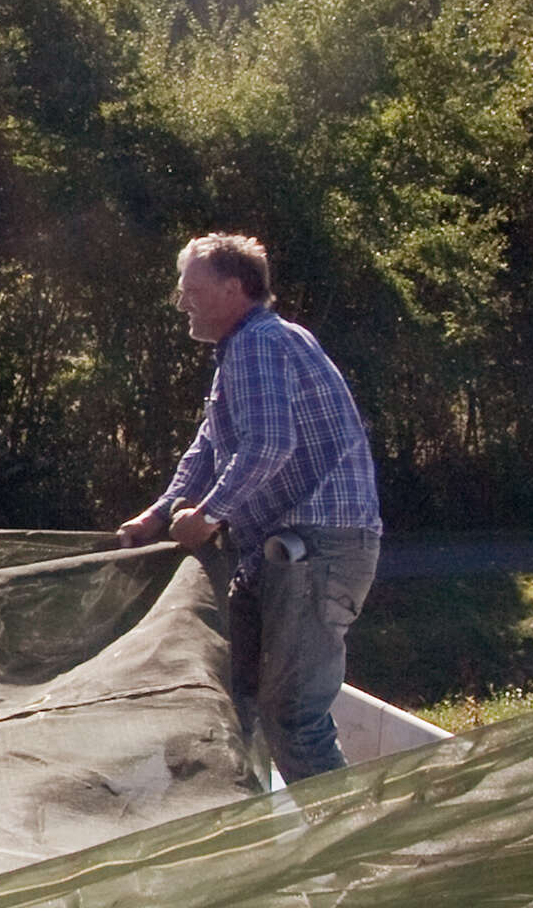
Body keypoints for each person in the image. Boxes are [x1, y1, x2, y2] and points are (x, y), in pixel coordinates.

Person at [111, 233, 381, 784]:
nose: (181, 300)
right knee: (238, 701)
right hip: (284, 550)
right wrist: (160, 514)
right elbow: (209, 447)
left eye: (192, 289)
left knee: (293, 717)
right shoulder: (240, 350)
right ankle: (258, 840)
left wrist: (208, 515)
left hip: (321, 548)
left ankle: (357, 856)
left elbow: (268, 446)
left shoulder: (260, 344)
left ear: (233, 289)